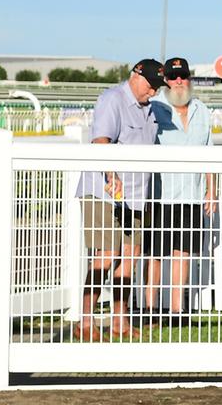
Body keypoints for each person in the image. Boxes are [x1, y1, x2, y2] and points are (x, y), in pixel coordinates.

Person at [74, 58, 164, 340]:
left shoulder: (148, 110)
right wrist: (111, 176)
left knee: (130, 257)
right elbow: (101, 141)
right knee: (106, 254)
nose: (153, 92)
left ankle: (119, 320)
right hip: (105, 192)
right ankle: (85, 320)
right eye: (151, 86)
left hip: (136, 197)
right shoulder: (112, 99)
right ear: (136, 76)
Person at [146, 56, 215, 326]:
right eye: (174, 77)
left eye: (183, 76)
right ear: (166, 81)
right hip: (161, 193)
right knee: (156, 254)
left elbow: (209, 151)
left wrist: (212, 190)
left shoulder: (202, 109)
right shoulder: (154, 108)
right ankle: (150, 309)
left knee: (183, 254)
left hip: (192, 195)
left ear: (189, 79)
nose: (178, 81)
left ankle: (177, 311)